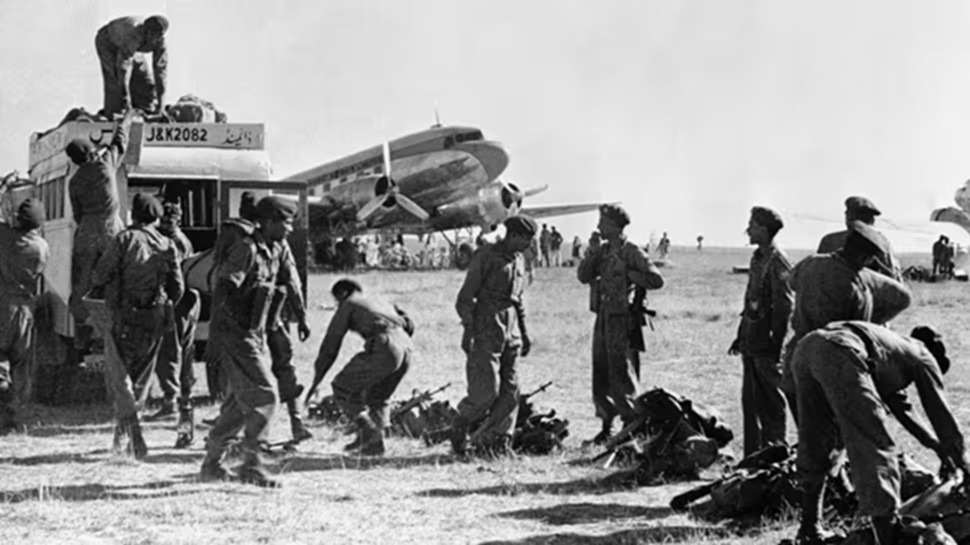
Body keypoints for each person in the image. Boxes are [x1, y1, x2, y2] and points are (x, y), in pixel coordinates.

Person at [791, 322, 970, 545]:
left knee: (817, 441)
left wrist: (937, 448)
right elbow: (941, 414)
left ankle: (809, 528)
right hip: (842, 351)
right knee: (873, 444)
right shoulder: (923, 355)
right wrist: (963, 462)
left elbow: (905, 410)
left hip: (806, 349)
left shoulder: (894, 351)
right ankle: (888, 535)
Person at [199, 196, 295, 487]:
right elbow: (223, 290)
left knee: (238, 404)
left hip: (254, 334)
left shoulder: (275, 250)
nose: (290, 229)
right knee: (265, 395)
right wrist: (215, 336)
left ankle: (212, 465)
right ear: (268, 222)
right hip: (237, 335)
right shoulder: (247, 249)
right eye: (286, 222)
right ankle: (252, 464)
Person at [782, 222, 912, 419]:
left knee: (806, 421)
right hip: (835, 362)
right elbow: (902, 298)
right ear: (865, 258)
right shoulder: (857, 285)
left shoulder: (810, 263)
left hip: (798, 356)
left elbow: (792, 282)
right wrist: (875, 322)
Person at [88, 193, 183, 459]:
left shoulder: (124, 240)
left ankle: (134, 433)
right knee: (141, 380)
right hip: (155, 319)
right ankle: (123, 440)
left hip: (124, 317)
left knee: (120, 378)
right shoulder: (167, 243)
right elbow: (178, 288)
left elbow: (99, 276)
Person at [450, 215, 537, 456]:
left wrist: (525, 334)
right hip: (486, 327)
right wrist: (469, 330)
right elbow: (465, 298)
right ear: (513, 235)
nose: (529, 245)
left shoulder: (519, 259)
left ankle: (497, 442)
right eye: (526, 239)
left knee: (511, 391)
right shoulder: (486, 256)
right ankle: (460, 424)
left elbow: (517, 300)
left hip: (511, 331)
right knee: (486, 392)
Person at [577, 205, 664, 445]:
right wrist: (592, 253)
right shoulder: (602, 251)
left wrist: (631, 275)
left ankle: (631, 426)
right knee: (601, 370)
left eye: (603, 223)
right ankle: (607, 425)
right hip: (603, 317)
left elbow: (656, 279)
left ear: (616, 226)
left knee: (622, 372)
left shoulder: (632, 252)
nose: (599, 227)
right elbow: (583, 276)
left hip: (623, 320)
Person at [305, 279, 414, 456]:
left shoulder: (349, 303)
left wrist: (316, 380)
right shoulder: (379, 300)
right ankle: (375, 444)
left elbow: (330, 345)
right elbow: (409, 324)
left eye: (337, 300)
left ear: (342, 293)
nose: (337, 304)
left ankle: (369, 432)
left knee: (342, 387)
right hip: (407, 348)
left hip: (386, 347)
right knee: (378, 397)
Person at [66, 109, 135, 345]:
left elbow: (77, 214)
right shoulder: (105, 165)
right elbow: (119, 143)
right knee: (115, 278)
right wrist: (126, 119)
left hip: (86, 231)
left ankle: (83, 332)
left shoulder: (74, 181)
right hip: (110, 227)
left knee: (82, 282)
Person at [728, 207, 793, 457]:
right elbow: (751, 301)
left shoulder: (778, 260)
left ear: (764, 231)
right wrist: (741, 335)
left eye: (752, 226)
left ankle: (774, 455)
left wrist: (776, 344)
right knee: (751, 402)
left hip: (767, 345)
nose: (748, 230)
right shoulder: (757, 258)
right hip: (751, 340)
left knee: (771, 403)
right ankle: (753, 457)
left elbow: (784, 306)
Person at [204, 191, 259, 400]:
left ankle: (218, 392)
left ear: (241, 209)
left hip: (225, 289)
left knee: (217, 343)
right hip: (249, 298)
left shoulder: (230, 229)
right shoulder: (259, 234)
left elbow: (217, 258)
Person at [0, 200, 49, 433]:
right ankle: (15, 417)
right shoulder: (41, 247)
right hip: (26, 308)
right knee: (21, 362)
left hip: (2, 304)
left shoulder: (5, 237)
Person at [266, 238, 312, 445]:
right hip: (273, 318)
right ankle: (297, 424)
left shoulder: (239, 238)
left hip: (257, 319)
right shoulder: (279, 243)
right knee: (285, 368)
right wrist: (301, 317)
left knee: (244, 369)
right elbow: (292, 282)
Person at [95, 15, 169, 118]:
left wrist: (161, 107)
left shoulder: (160, 43)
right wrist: (126, 100)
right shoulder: (134, 34)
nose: (148, 36)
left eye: (153, 35)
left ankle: (146, 111)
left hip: (133, 48)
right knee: (116, 80)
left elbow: (161, 73)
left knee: (145, 81)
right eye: (147, 32)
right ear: (144, 28)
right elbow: (123, 68)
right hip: (108, 42)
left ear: (159, 36)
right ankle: (117, 114)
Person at [817, 196, 902, 281]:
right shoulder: (881, 241)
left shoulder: (829, 240)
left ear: (848, 217)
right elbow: (893, 276)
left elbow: (817, 271)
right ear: (872, 221)